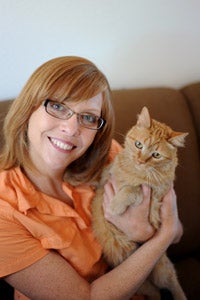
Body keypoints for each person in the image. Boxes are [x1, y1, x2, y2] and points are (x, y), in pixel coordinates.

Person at [0, 56, 183, 300]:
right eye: (58, 106)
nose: (72, 128)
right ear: (28, 107)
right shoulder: (3, 210)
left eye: (88, 117)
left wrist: (145, 231)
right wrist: (162, 235)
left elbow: (179, 231)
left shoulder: (112, 156)